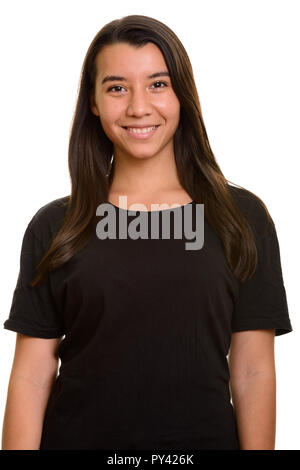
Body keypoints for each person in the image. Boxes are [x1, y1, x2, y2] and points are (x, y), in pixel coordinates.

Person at [2, 15, 293, 450]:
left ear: (183, 95)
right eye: (117, 87)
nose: (139, 106)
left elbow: (252, 369)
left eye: (158, 84)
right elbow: (31, 374)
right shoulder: (56, 226)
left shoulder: (240, 218)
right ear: (94, 102)